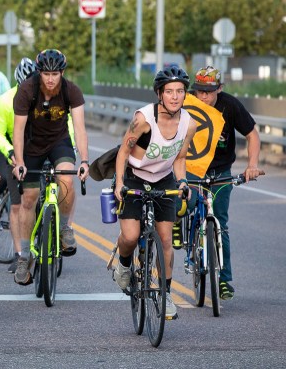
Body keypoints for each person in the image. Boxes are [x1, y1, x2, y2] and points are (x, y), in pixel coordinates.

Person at [111, 66, 198, 321]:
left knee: (166, 239)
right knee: (130, 236)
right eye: (169, 91)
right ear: (160, 93)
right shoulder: (143, 119)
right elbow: (123, 153)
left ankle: (165, 293)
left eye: (180, 91)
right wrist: (119, 184)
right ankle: (125, 264)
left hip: (163, 179)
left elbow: (180, 158)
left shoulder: (189, 124)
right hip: (135, 177)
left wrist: (182, 182)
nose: (174, 96)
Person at [11, 49, 89, 285]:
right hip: (32, 145)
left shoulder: (71, 90)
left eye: (55, 73)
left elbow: (80, 128)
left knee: (66, 180)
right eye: (46, 73)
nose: (51, 78)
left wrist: (84, 160)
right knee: (29, 198)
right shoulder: (26, 90)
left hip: (59, 143)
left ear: (62, 73)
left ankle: (65, 228)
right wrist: (20, 162)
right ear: (39, 73)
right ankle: (24, 256)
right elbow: (18, 130)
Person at [187, 66, 263, 300]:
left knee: (220, 221)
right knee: (187, 204)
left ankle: (224, 279)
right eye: (199, 91)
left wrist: (252, 164)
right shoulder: (187, 103)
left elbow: (252, 134)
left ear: (219, 88)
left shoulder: (229, 106)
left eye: (209, 91)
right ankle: (186, 236)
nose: (203, 96)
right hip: (192, 168)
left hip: (221, 170)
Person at [0, 57, 35, 272]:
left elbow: (66, 124)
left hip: (37, 151)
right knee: (17, 205)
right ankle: (20, 255)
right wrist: (11, 154)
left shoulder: (46, 98)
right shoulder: (5, 101)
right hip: (12, 153)